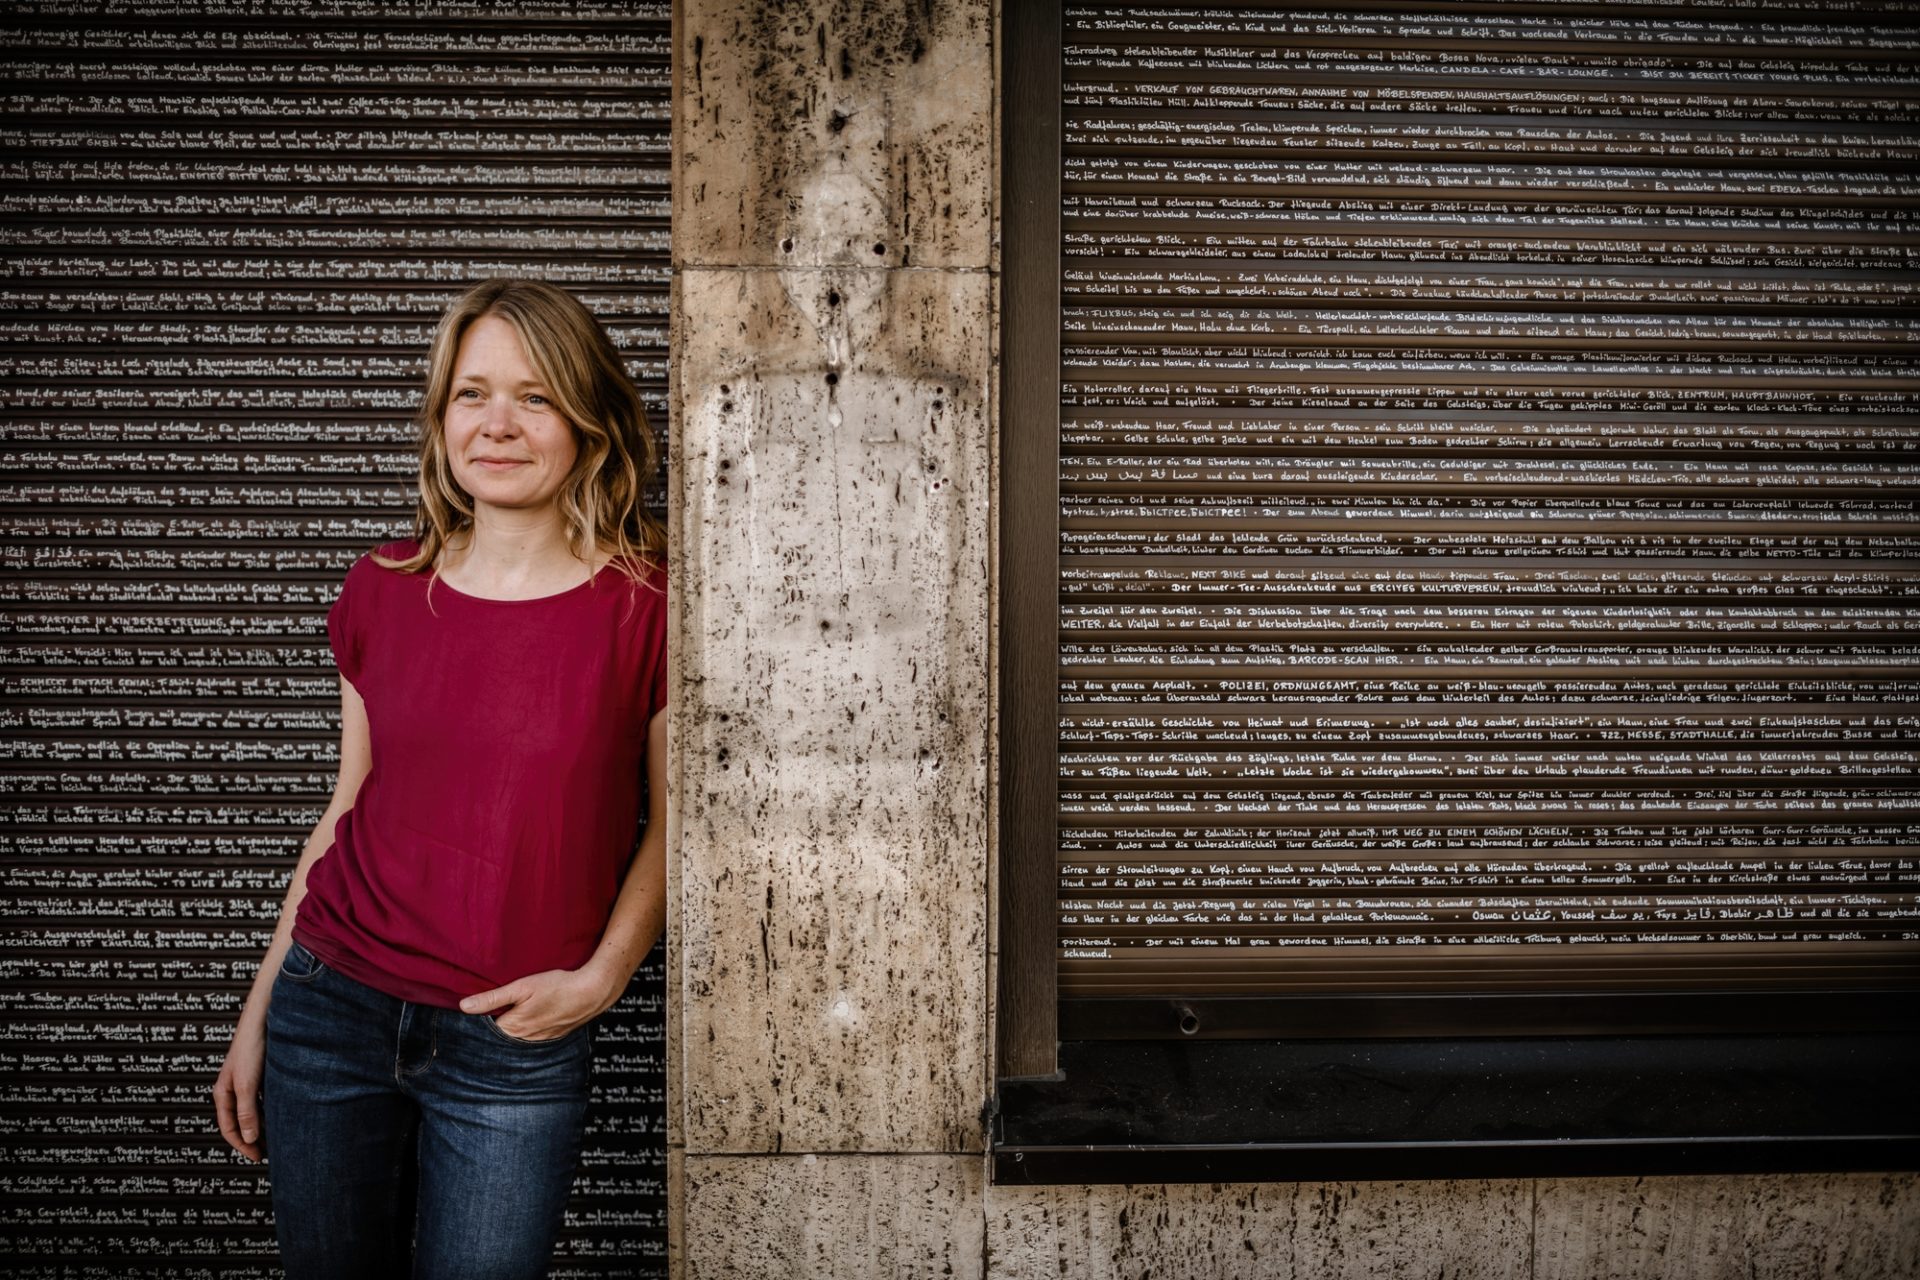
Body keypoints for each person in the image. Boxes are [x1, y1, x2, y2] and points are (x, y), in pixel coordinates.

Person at [209, 277, 670, 1279]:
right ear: (441, 415)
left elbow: (675, 826)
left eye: (536, 397)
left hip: (513, 1042)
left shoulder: (645, 606)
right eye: (472, 394)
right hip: (329, 1011)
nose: (497, 425)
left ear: (587, 424)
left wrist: (602, 977)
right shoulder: (382, 586)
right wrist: (258, 1016)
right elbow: (346, 809)